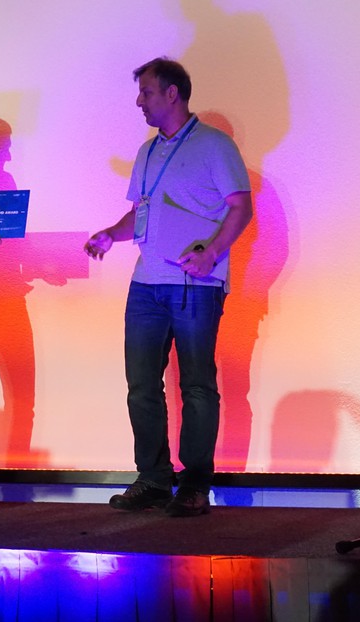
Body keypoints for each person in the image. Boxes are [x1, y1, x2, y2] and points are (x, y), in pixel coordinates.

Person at [84, 57, 253, 517]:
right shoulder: (147, 151)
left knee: (197, 385)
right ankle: (154, 480)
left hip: (195, 285)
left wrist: (211, 252)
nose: (139, 101)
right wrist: (109, 235)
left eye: (147, 93)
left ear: (172, 94)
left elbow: (241, 207)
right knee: (141, 384)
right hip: (146, 285)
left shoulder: (215, 146)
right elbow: (140, 212)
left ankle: (195, 485)